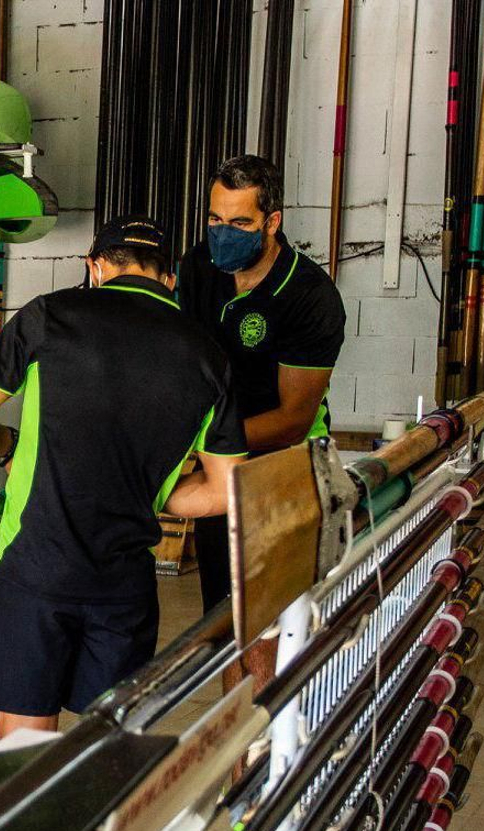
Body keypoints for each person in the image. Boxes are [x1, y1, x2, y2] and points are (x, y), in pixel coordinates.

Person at [0, 216, 245, 736]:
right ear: (168, 279)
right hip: (122, 587)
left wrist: (11, 445)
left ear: (96, 267)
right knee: (101, 762)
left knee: (23, 769)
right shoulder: (208, 355)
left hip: (32, 570)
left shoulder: (51, 316)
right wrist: (157, 493)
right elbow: (224, 491)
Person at [178, 154, 347, 613]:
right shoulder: (198, 267)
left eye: (238, 221)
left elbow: (293, 421)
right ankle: (242, 685)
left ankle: (280, 686)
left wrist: (203, 447)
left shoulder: (309, 296)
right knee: (226, 614)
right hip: (223, 470)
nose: (222, 232)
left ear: (271, 221)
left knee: (278, 620)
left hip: (285, 471)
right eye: (214, 218)